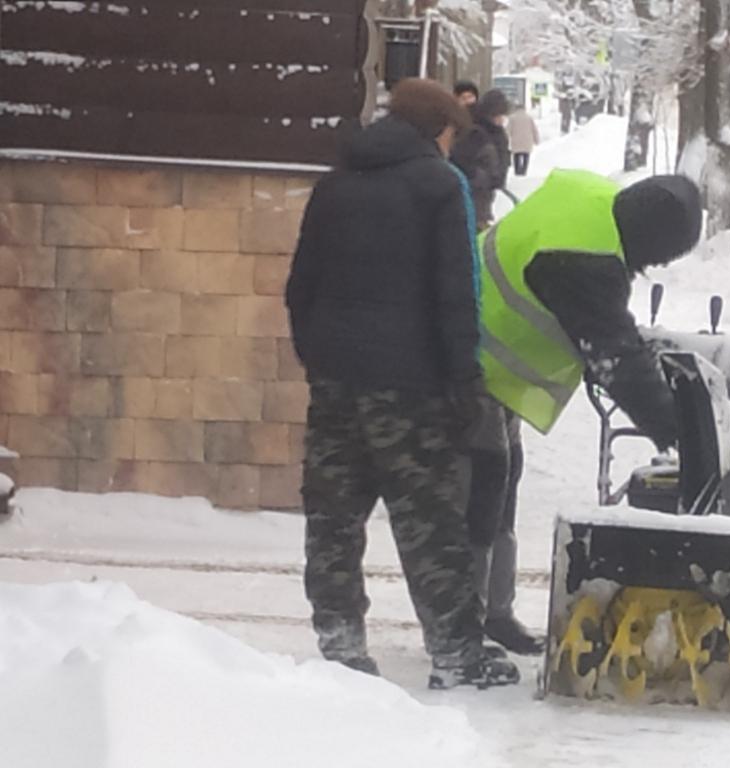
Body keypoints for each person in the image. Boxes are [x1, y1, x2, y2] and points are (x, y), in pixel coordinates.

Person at [285, 78, 519, 690]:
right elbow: (456, 294)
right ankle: (455, 654)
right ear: (438, 129)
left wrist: (320, 357)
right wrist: (464, 379)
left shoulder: (333, 184)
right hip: (411, 386)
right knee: (430, 521)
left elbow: (300, 285)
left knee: (333, 518)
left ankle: (341, 646)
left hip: (337, 380)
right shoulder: (441, 186)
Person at [466, 169, 703, 654]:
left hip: (481, 354)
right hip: (467, 362)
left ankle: (491, 612)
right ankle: (461, 626)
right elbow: (614, 354)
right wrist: (677, 431)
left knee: (500, 479)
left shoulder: (592, 201)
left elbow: (611, 333)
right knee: (480, 489)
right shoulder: (584, 259)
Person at [451, 88, 511, 231]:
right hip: (473, 193)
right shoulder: (474, 132)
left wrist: (498, 177)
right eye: (497, 115)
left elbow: (501, 156)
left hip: (485, 193)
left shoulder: (497, 132)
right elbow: (463, 161)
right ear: (489, 114)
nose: (500, 119)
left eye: (502, 115)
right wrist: (483, 177)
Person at [507, 104, 540, 176]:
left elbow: (508, 130)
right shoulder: (529, 117)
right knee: (526, 155)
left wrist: (505, 139)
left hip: (516, 140)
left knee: (516, 155)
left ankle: (517, 171)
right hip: (527, 140)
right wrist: (536, 140)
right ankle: (524, 171)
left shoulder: (512, 118)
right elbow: (534, 130)